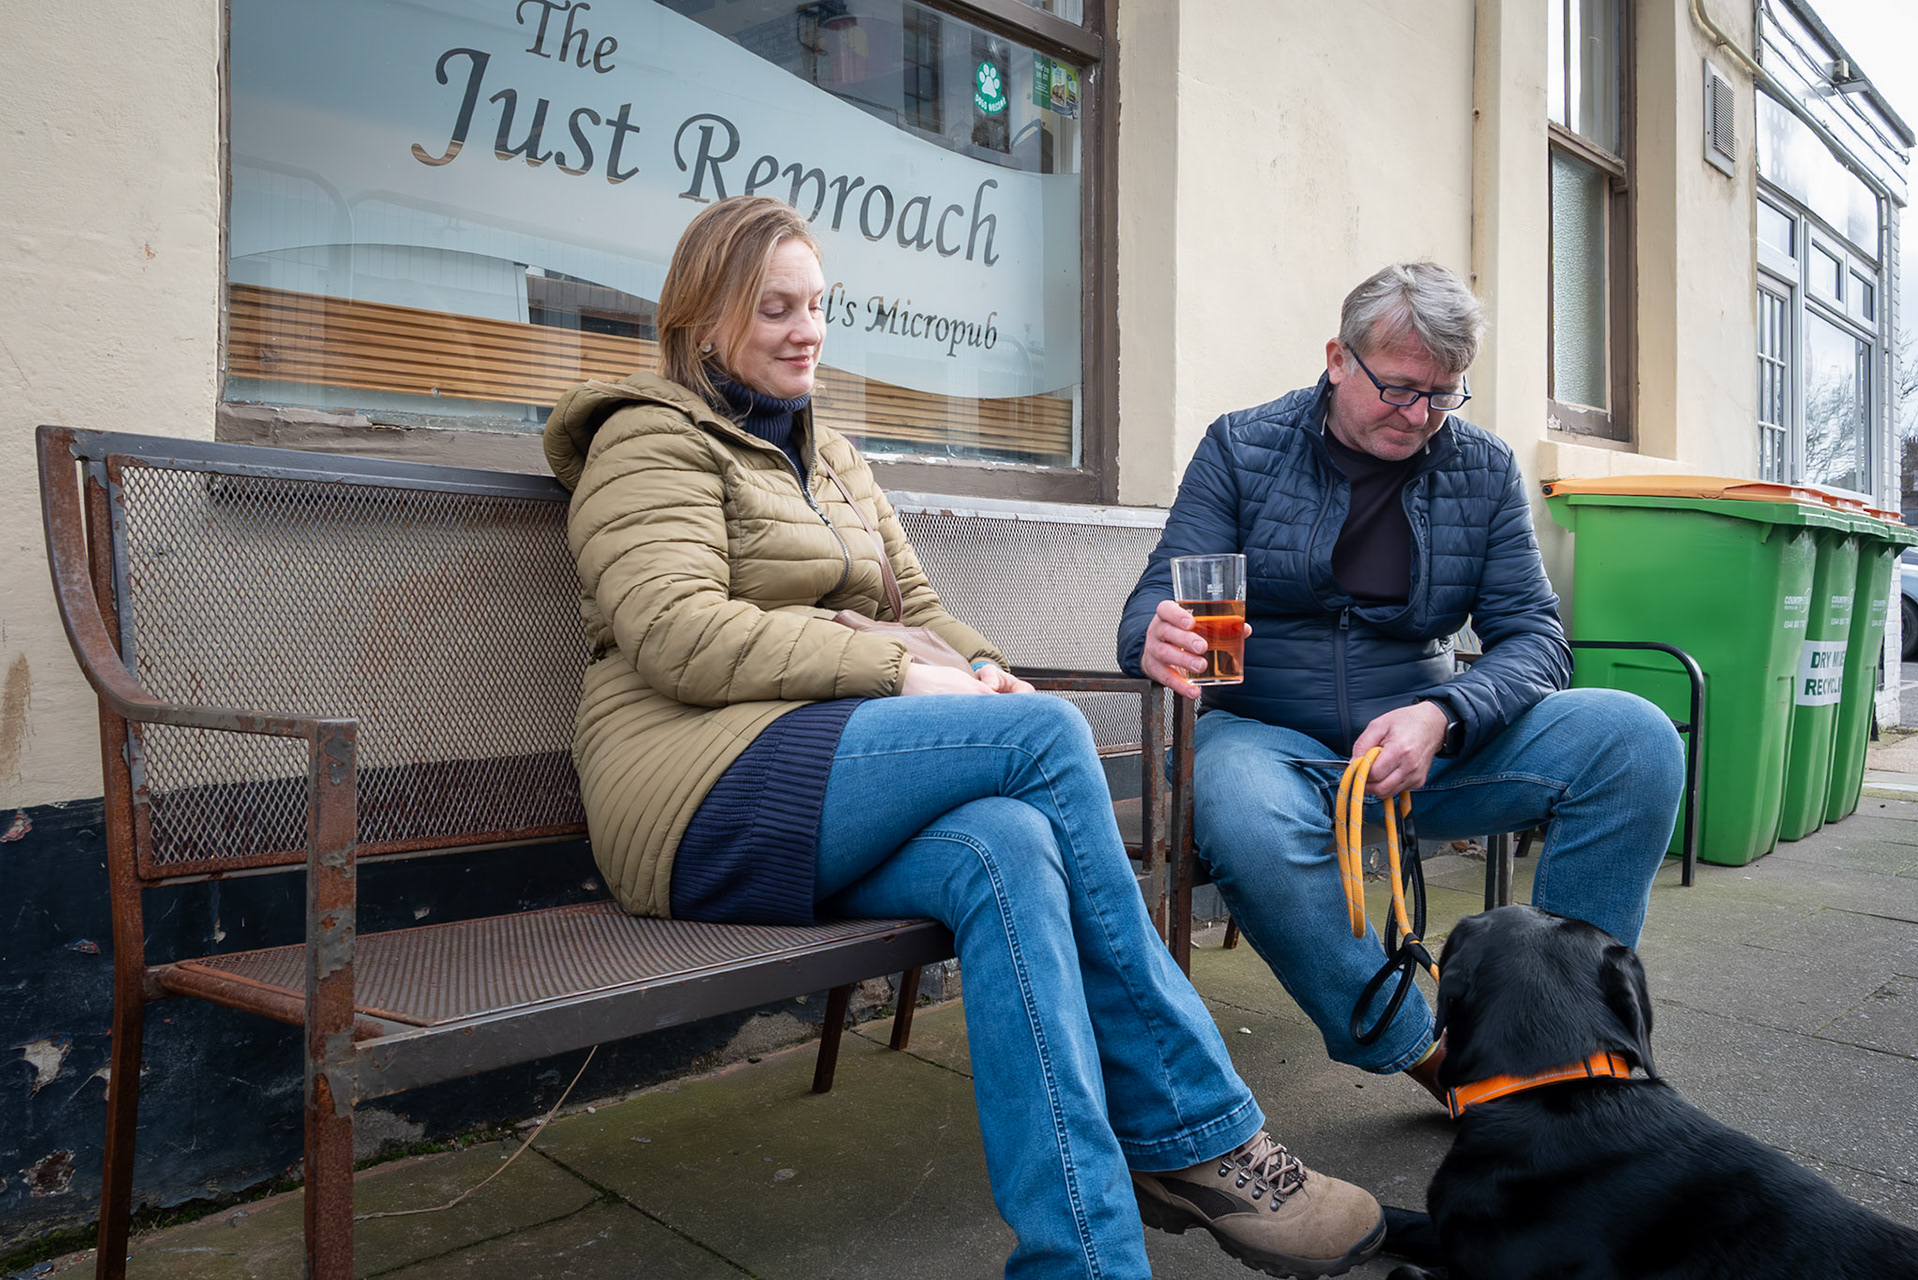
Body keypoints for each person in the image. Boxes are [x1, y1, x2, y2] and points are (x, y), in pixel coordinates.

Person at [542, 195, 1386, 1280]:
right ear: (701, 320)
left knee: (1009, 848)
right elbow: (676, 635)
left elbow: (923, 605)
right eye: (775, 309)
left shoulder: (832, 455)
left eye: (819, 306)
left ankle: (1081, 1258)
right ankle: (1204, 1131)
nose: (808, 331)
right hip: (695, 791)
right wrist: (902, 668)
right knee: (1042, 737)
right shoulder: (646, 438)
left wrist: (981, 667)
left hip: (824, 771)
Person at [1116, 261, 1685, 1101]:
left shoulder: (1482, 468)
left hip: (1419, 746)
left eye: (1443, 395)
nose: (1419, 416)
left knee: (1635, 740)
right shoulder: (1243, 444)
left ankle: (1566, 1046)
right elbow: (1156, 599)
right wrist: (1152, 638)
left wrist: (1443, 715)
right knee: (1237, 800)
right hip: (1263, 740)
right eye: (1400, 389)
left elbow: (1534, 636)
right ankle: (1433, 1056)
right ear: (1339, 358)